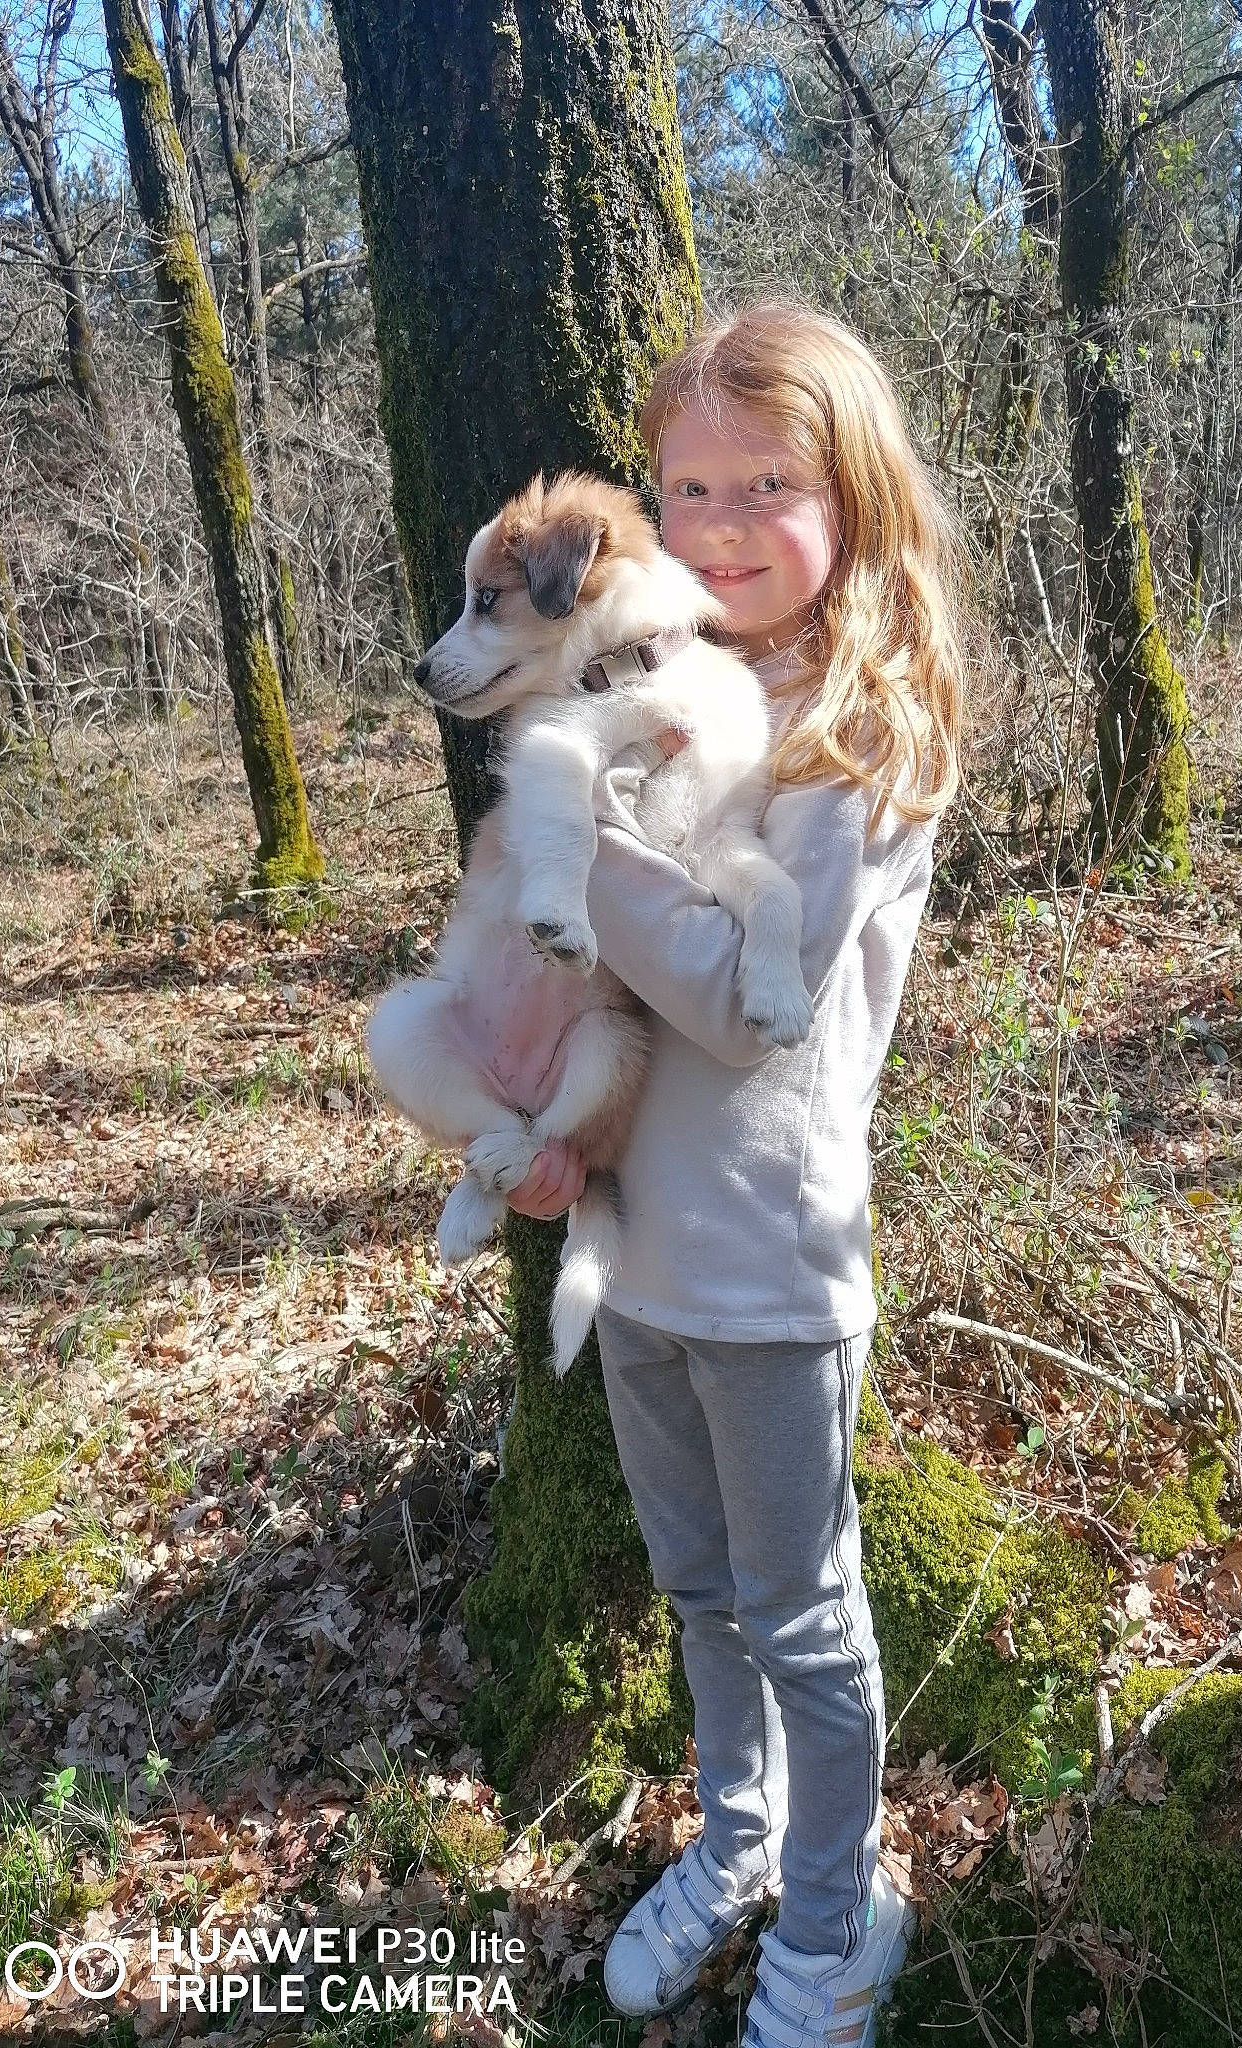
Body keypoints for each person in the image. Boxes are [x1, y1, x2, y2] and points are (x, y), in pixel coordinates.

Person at [505, 296, 966, 2047]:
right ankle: (746, 1839)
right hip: (638, 1253)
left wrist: (569, 831)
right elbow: (609, 994)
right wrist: (563, 1132)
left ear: (852, 494)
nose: (714, 526)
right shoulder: (661, 686)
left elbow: (735, 1003)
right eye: (685, 486)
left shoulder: (865, 730)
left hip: (774, 1271)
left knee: (804, 1613)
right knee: (698, 1591)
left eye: (764, 482)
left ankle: (839, 1924)